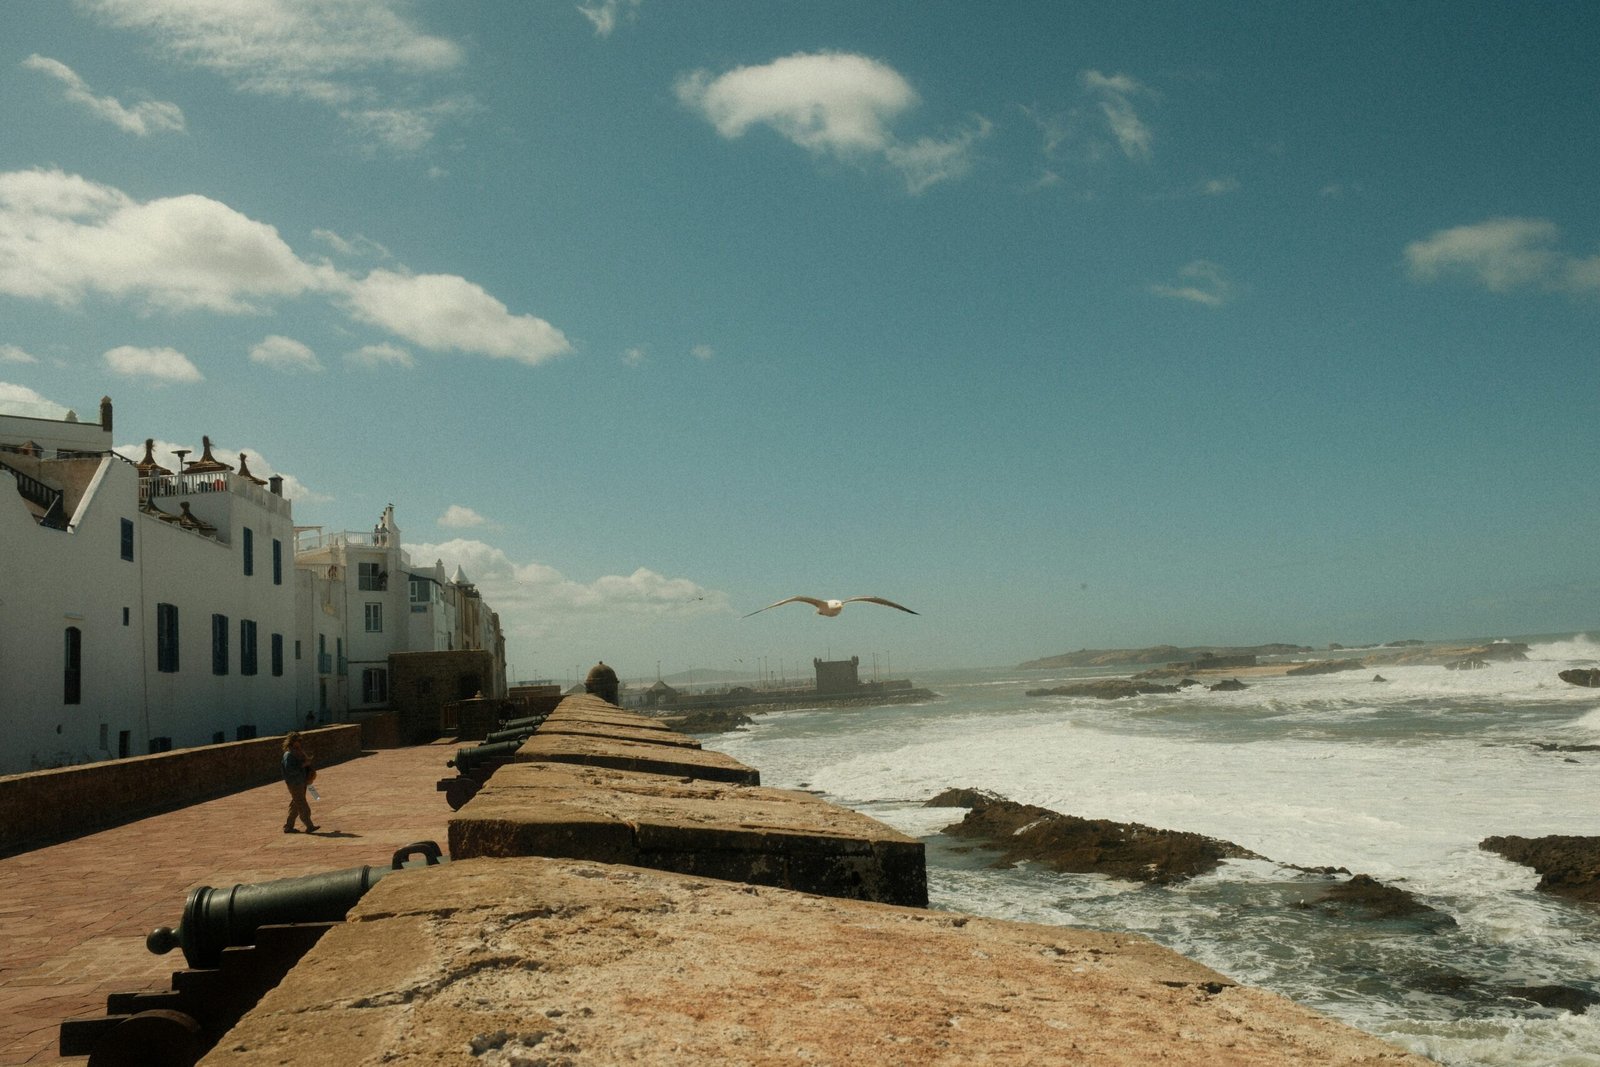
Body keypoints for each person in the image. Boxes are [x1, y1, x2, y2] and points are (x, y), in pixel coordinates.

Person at [281, 731, 319, 834]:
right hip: (294, 783)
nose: (300, 742)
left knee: (296, 804)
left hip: (301, 781)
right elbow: (290, 770)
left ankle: (288, 826)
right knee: (302, 804)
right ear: (293, 741)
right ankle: (309, 825)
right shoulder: (288, 755)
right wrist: (303, 765)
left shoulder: (297, 752)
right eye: (298, 740)